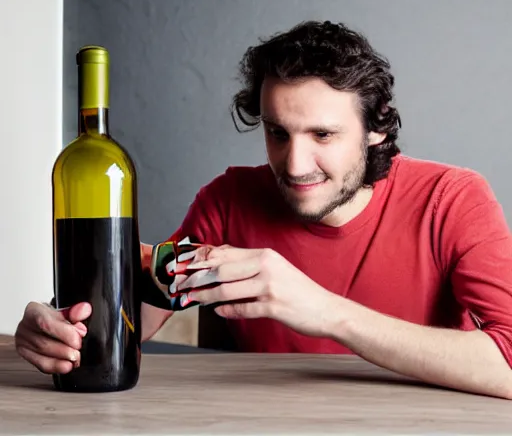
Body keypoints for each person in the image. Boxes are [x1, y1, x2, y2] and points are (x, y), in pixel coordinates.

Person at [15, 20, 512, 399]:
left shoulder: (454, 199)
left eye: (323, 134)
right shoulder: (228, 199)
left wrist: (324, 312)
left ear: (377, 128)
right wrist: (59, 330)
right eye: (277, 133)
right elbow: (136, 311)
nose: (295, 165)